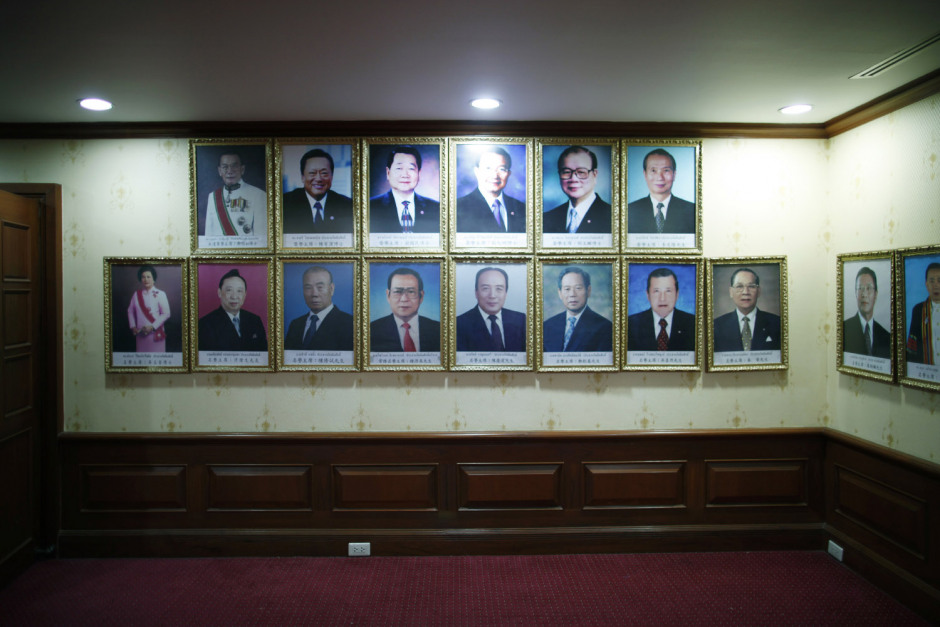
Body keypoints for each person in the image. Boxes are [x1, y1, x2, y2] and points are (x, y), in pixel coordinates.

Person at [369, 146, 440, 233]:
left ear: (419, 173)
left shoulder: (435, 208)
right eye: (399, 168)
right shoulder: (371, 207)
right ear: (388, 173)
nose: (405, 175)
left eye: (411, 168)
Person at [282, 148, 354, 234]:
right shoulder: (285, 204)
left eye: (324, 173)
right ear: (302, 177)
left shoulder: (347, 205)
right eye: (312, 173)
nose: (319, 179)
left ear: (332, 176)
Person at [542, 146, 611, 234]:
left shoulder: (612, 216)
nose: (573, 179)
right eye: (566, 172)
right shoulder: (547, 218)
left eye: (581, 172)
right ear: (559, 175)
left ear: (594, 175)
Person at [456, 146, 525, 233]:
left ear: (509, 174)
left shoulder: (521, 208)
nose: (495, 175)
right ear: (477, 172)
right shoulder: (458, 208)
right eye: (488, 168)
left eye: (501, 169)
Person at [542, 267, 613, 352]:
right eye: (567, 289)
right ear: (560, 293)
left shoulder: (605, 328)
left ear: (588, 290)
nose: (572, 294)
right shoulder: (547, 326)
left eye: (578, 288)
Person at [284, 266, 354, 351]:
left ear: (331, 289)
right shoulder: (295, 324)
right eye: (308, 288)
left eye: (320, 287)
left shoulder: (349, 323)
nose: (314, 294)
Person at [456, 267, 526, 351]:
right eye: (485, 288)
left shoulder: (521, 320)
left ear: (506, 293)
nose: (492, 295)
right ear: (476, 293)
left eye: (499, 289)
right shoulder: (459, 324)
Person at [370, 268, 440, 352]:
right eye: (397, 292)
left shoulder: (439, 330)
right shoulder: (372, 331)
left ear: (421, 296)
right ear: (388, 296)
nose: (404, 299)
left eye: (411, 292)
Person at [627, 148, 695, 235]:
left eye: (666, 170)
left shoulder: (691, 211)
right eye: (653, 171)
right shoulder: (630, 211)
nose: (660, 177)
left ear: (674, 174)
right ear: (645, 174)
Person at [198, 269, 268, 351]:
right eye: (229, 290)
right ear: (219, 293)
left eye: (239, 291)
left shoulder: (255, 320)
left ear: (245, 294)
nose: (234, 296)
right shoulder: (205, 324)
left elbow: (263, 354)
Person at [712, 268, 781, 352]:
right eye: (739, 286)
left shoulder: (777, 323)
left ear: (758, 291)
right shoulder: (717, 326)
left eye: (751, 286)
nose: (745, 292)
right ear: (731, 292)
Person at [627, 268, 695, 351]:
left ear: (677, 294)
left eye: (668, 291)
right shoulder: (630, 324)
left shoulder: (693, 324)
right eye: (656, 291)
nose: (662, 298)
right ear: (647, 295)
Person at [204, 151, 267, 237]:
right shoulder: (212, 197)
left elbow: (261, 236)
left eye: (234, 166)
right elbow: (209, 235)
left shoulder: (258, 195)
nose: (230, 171)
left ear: (242, 169)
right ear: (220, 171)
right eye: (225, 167)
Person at [843, 267, 891, 358]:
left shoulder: (886, 337)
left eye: (868, 288)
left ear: (876, 294)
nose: (864, 294)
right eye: (860, 288)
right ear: (855, 293)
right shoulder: (844, 329)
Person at [126, 265, 170, 352]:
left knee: (158, 361)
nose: (146, 279)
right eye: (143, 277)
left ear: (153, 278)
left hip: (155, 333)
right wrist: (133, 326)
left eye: (148, 277)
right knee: (142, 361)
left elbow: (166, 313)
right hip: (140, 334)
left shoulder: (161, 294)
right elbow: (130, 310)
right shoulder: (136, 295)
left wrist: (152, 327)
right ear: (140, 279)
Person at [906, 262, 940, 365]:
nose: (936, 285)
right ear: (926, 284)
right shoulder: (918, 310)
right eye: (932, 281)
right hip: (926, 373)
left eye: (939, 280)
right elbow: (912, 349)